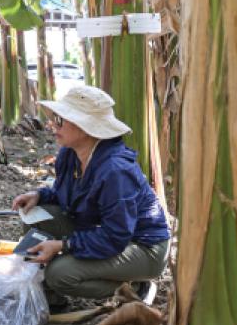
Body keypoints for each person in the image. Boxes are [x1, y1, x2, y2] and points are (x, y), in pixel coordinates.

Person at [11, 86, 171, 308]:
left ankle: (133, 287)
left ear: (85, 127)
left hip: (143, 248)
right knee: (36, 216)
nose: (52, 125)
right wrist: (39, 195)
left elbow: (116, 236)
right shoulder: (71, 154)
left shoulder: (115, 171)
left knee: (59, 273)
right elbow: (66, 194)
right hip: (112, 234)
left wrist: (62, 246)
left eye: (60, 119)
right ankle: (51, 296)